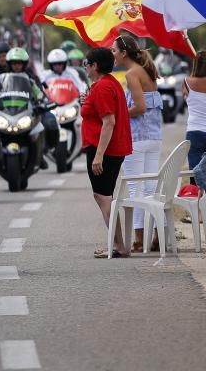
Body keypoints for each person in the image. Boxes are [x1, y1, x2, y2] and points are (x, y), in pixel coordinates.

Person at [111, 35, 162, 253]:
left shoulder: (131, 74)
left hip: (138, 138)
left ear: (123, 53)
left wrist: (119, 114)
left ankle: (140, 239)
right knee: (150, 188)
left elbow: (139, 107)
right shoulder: (146, 71)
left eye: (114, 50)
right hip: (154, 137)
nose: (112, 54)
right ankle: (159, 234)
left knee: (135, 189)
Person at [80, 47, 132, 258]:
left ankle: (119, 245)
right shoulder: (107, 84)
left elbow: (109, 122)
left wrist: (99, 155)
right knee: (104, 196)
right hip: (108, 147)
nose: (85, 68)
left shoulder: (102, 87)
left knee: (103, 197)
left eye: (87, 64)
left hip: (103, 149)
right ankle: (117, 243)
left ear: (95, 66)